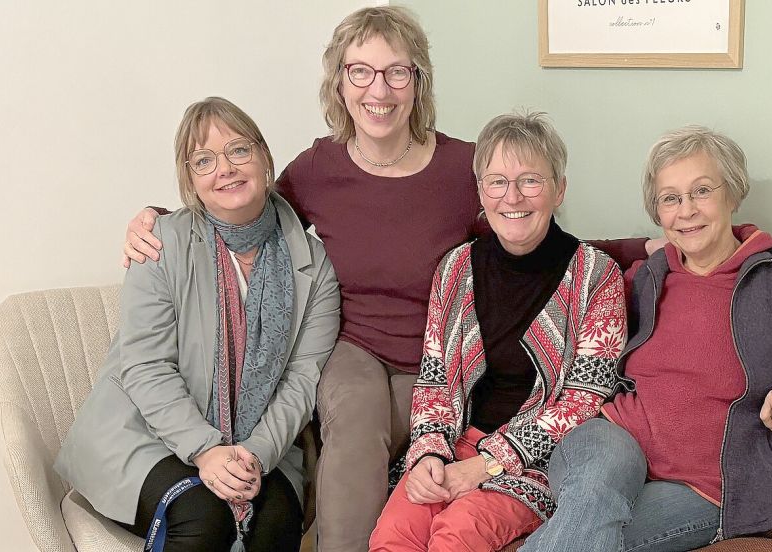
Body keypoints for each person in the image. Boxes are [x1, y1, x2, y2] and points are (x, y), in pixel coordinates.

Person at [119, 8, 652, 551]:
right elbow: (247, 209)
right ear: (340, 84)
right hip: (355, 347)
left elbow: (530, 232)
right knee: (356, 420)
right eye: (361, 72)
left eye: (398, 72)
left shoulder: (462, 168)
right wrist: (160, 216)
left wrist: (648, 248)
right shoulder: (317, 168)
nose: (380, 89)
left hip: (438, 356)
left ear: (418, 83)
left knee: (420, 443)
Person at [520, 125, 772, 552]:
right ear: (659, 214)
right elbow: (562, 268)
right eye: (671, 199)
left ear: (732, 194)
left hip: (706, 488)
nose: (687, 211)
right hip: (610, 441)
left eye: (702, 191)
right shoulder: (646, 277)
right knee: (595, 496)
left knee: (589, 530)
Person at [55, 97, 341, 551]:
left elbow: (302, 379)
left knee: (275, 526)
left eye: (238, 151)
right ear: (190, 180)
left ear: (265, 158)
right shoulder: (160, 245)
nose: (224, 168)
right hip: (145, 433)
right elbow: (146, 367)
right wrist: (206, 450)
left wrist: (255, 454)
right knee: (204, 517)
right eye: (204, 160)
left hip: (261, 445)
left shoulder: (315, 264)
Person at [368, 112, 627, 552]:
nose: (513, 197)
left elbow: (584, 401)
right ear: (480, 192)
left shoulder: (597, 277)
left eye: (530, 181)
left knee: (457, 535)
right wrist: (430, 454)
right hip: (453, 446)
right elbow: (435, 379)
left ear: (559, 189)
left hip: (535, 463)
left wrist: (489, 465)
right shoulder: (455, 269)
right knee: (393, 536)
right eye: (496, 181)